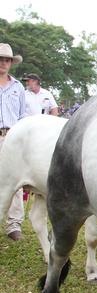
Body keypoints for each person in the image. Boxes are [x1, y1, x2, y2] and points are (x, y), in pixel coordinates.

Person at [0, 43, 26, 241]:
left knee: (16, 180)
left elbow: (21, 115)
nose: (3, 63)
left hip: (11, 136)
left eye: (7, 60)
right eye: (0, 59)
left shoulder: (18, 87)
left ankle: (13, 224)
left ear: (11, 63)